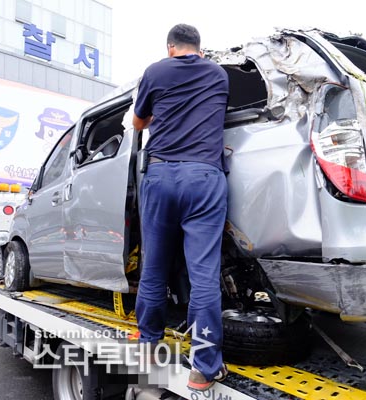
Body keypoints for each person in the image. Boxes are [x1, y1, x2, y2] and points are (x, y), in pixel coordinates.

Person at [132, 23, 229, 391]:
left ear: (170, 47)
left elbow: (138, 122)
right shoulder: (218, 74)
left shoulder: (155, 71)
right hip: (203, 178)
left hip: (160, 176)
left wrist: (157, 114)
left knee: (154, 267)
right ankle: (203, 368)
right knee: (204, 275)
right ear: (200, 49)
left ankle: (147, 346)